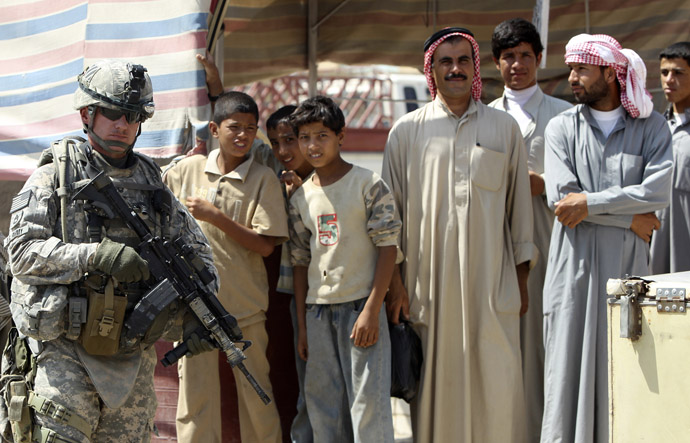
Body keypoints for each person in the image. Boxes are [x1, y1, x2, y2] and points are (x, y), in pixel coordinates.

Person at [2, 59, 219, 442]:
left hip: (132, 359)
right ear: (88, 113)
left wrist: (196, 319)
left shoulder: (155, 188)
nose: (123, 124)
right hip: (65, 355)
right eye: (113, 112)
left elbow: (200, 259)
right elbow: (21, 252)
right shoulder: (55, 177)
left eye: (133, 116)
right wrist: (92, 256)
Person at [382, 27, 534, 442]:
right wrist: (394, 285)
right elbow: (387, 220)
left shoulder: (504, 129)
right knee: (435, 389)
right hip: (428, 286)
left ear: (475, 67)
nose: (455, 69)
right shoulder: (406, 132)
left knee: (498, 386)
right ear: (431, 69)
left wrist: (519, 283)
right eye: (445, 61)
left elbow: (520, 213)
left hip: (492, 283)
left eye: (463, 60)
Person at [541, 34, 673, 443]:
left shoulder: (651, 128)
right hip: (573, 278)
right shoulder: (561, 128)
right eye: (572, 68)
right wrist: (630, 217)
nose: (573, 77)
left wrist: (594, 205)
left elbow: (658, 192)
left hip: (629, 275)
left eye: (582, 69)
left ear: (611, 74)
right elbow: (563, 203)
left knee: (629, 376)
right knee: (566, 381)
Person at [164, 91, 287, 443]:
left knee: (257, 395)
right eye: (235, 127)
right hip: (194, 311)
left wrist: (215, 217)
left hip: (245, 309)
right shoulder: (186, 170)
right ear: (215, 129)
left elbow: (265, 245)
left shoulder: (263, 178)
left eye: (251, 128)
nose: (243, 135)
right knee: (194, 402)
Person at [288, 96, 400, 442]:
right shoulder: (300, 198)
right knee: (324, 409)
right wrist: (304, 327)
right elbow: (300, 261)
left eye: (321, 135)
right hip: (318, 314)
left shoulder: (369, 184)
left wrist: (372, 309)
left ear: (341, 137)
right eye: (304, 137)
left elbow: (387, 248)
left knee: (369, 408)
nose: (313, 145)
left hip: (360, 309)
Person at [488, 18, 572, 442]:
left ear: (539, 59)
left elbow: (585, 186)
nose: (517, 64)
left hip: (550, 245)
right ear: (496, 64)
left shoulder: (566, 117)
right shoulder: (483, 120)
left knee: (545, 343)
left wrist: (543, 185)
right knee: (501, 345)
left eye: (525, 55)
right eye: (508, 57)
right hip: (495, 249)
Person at [266, 105, 315, 443]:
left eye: (290, 140)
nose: (283, 151)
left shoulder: (329, 180)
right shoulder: (278, 177)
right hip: (291, 298)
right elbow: (235, 127)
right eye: (275, 143)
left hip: (330, 299)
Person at [650, 42, 690, 274]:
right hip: (656, 249)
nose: (669, 79)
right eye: (665, 72)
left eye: (678, 73)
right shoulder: (655, 127)